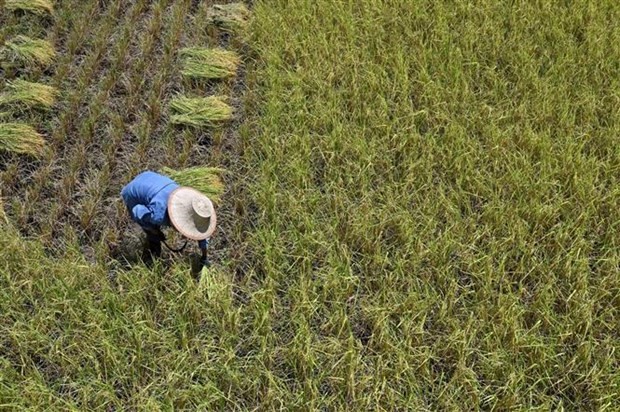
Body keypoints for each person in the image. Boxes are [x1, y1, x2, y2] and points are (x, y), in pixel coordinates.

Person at [120, 171, 217, 268]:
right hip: (132, 193)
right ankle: (153, 257)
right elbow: (137, 211)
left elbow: (202, 235)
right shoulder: (159, 215)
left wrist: (204, 257)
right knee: (152, 231)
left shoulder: (194, 205)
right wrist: (153, 231)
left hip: (148, 177)